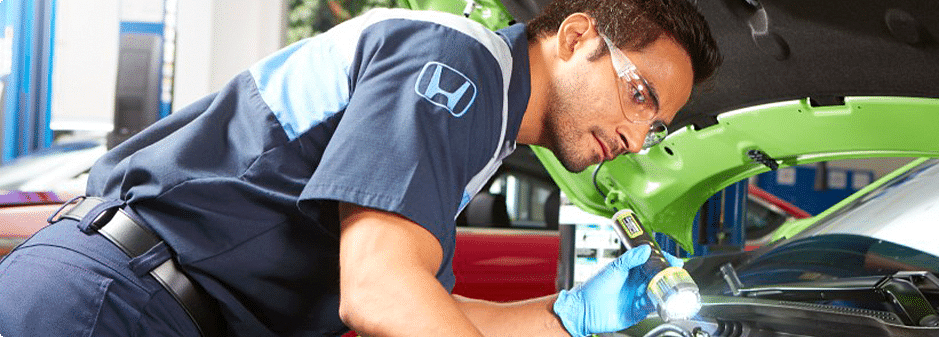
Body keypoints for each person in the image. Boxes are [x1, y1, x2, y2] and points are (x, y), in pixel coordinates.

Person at [0, 0, 721, 336]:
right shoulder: (456, 67)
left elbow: (423, 306)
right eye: (639, 95)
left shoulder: (487, 122)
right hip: (113, 305)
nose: (638, 136)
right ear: (576, 37)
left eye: (657, 124)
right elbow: (379, 294)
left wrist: (570, 315)